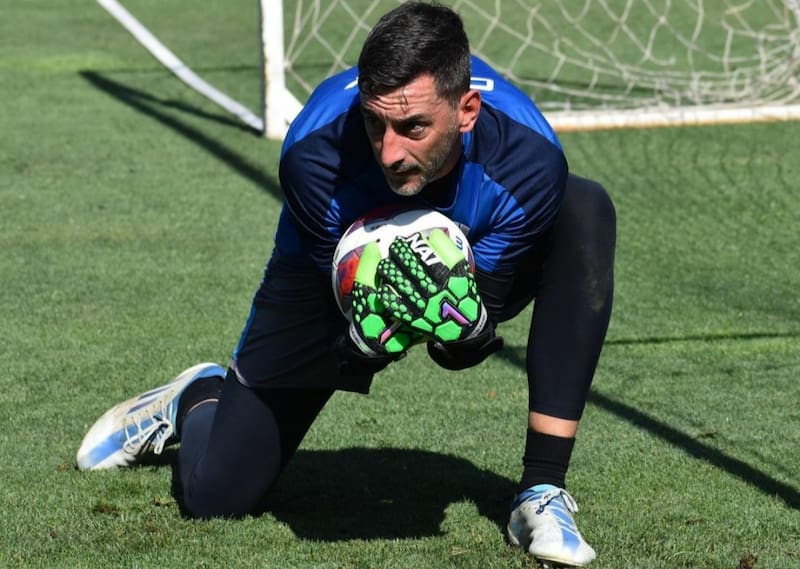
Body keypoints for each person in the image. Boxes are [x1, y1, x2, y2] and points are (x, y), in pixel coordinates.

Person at [77, 2, 615, 567]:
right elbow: (344, 324)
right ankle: (199, 396)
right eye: (374, 123)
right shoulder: (314, 160)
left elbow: (454, 354)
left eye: (412, 128)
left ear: (468, 111)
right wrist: (355, 345)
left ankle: (541, 491)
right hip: (331, 270)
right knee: (216, 497)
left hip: (467, 243)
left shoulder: (529, 163)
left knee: (585, 208)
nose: (388, 151)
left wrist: (468, 328)